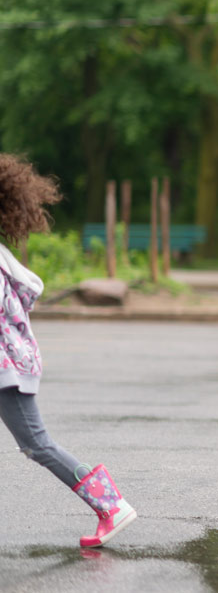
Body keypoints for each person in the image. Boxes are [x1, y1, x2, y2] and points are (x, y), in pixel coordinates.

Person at [0, 154, 137, 548]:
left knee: (35, 443)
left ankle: (112, 507)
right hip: (12, 363)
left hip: (8, 367)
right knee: (34, 443)